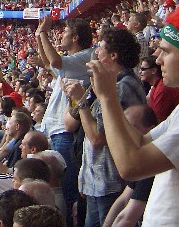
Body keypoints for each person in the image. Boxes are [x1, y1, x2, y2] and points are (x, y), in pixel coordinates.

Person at [90, 6, 179, 226]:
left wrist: (108, 98)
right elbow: (141, 143)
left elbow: (131, 166)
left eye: (166, 52)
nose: (157, 60)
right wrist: (108, 98)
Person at [65, 28, 146, 227]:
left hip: (109, 182)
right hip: (99, 181)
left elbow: (97, 138)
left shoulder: (120, 88)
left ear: (113, 56)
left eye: (100, 48)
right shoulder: (120, 83)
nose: (96, 52)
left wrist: (80, 101)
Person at [36, 17, 93, 226]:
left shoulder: (86, 56)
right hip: (57, 130)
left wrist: (44, 34)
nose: (61, 36)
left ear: (75, 37)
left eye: (65, 32)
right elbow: (48, 64)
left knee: (68, 193)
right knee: (59, 190)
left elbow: (54, 62)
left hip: (65, 133)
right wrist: (38, 36)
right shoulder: (73, 60)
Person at [102, 105, 158, 227]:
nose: (124, 133)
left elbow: (127, 218)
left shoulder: (154, 164)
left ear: (151, 130)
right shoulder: (143, 159)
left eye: (131, 127)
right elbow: (123, 200)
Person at [139, 55, 179, 122]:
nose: (140, 72)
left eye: (143, 69)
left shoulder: (162, 89)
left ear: (153, 71)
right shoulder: (156, 86)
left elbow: (156, 120)